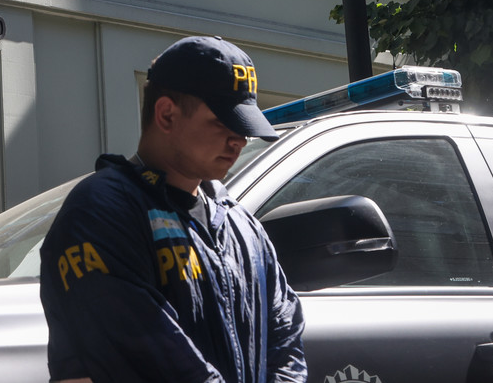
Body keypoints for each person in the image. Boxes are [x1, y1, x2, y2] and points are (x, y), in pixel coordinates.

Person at [39, 36, 306, 383]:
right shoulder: (99, 212)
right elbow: (150, 358)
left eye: (243, 127)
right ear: (166, 114)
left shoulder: (242, 227)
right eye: (223, 122)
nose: (239, 140)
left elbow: (286, 342)